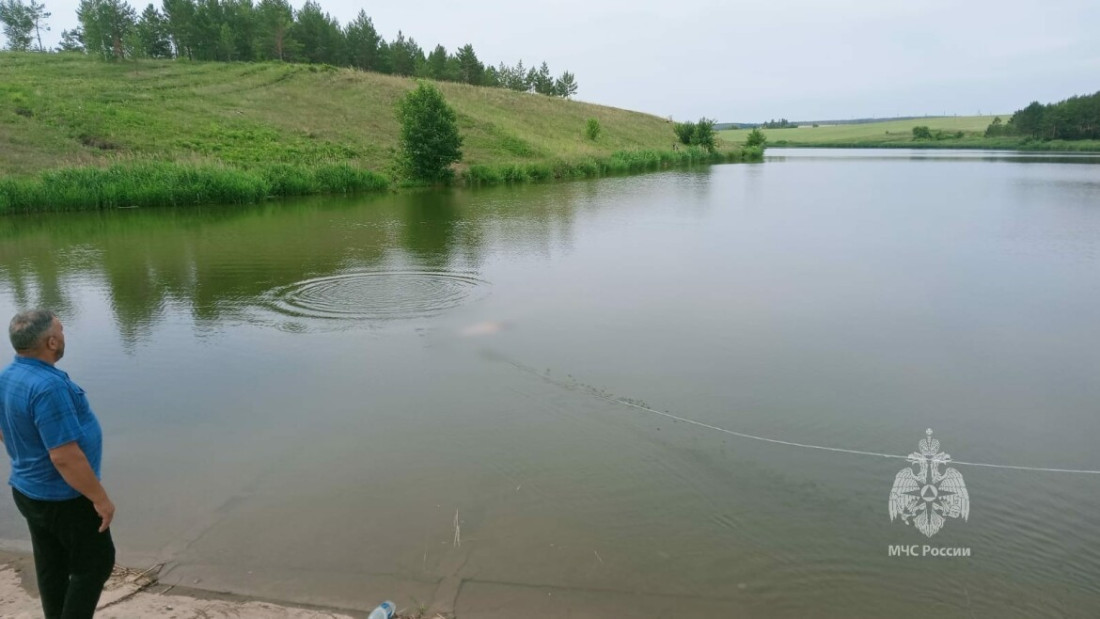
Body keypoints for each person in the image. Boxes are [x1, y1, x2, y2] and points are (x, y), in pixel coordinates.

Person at [0, 309, 115, 618]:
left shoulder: (8, 376)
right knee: (95, 564)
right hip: (64, 498)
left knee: (52, 565)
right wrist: (100, 499)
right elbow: (64, 456)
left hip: (27, 491)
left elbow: (4, 428)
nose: (64, 336)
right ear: (51, 342)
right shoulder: (48, 388)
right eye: (61, 331)